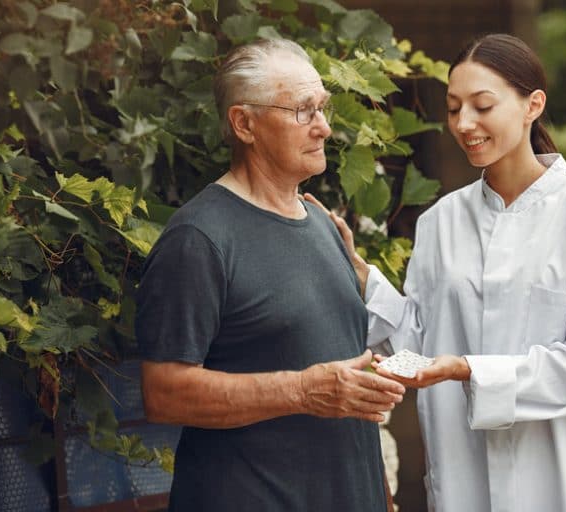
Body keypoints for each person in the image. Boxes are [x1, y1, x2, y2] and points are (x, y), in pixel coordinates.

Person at [308, 33, 566, 512]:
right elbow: (419, 348)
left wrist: (469, 369)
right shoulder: (439, 221)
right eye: (453, 108)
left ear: (533, 105)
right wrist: (361, 275)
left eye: (482, 106)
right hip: (467, 476)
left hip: (563, 478)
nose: (464, 123)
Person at [135, 38, 405, 511]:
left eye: (323, 108)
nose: (322, 127)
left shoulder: (322, 223)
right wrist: (301, 391)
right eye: (303, 111)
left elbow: (347, 392)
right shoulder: (199, 239)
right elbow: (164, 392)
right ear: (244, 123)